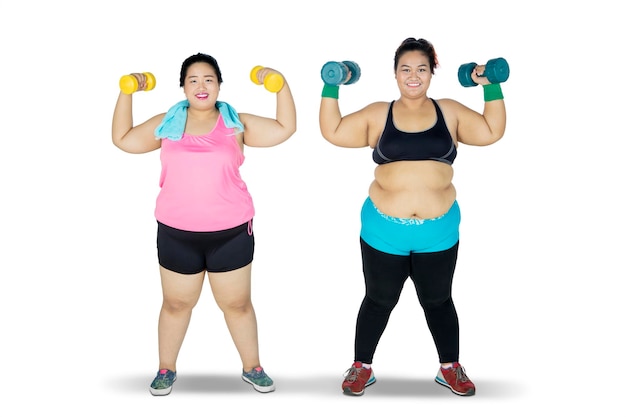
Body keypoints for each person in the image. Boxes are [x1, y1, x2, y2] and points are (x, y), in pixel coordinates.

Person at [318, 38, 506, 396]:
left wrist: (490, 84)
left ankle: (450, 367)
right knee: (378, 300)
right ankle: (362, 367)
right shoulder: (378, 113)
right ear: (395, 73)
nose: (413, 76)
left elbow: (491, 131)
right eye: (406, 69)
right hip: (384, 232)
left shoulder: (449, 111)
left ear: (431, 72)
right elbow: (334, 131)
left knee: (438, 301)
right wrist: (332, 84)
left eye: (421, 68)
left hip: (438, 232)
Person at [112, 53, 296, 396]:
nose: (201, 85)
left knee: (237, 305)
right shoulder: (167, 123)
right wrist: (128, 91)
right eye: (193, 79)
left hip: (230, 231)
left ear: (219, 85)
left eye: (209, 79)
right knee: (176, 305)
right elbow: (123, 139)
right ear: (182, 87)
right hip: (177, 232)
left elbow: (285, 128)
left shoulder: (235, 123)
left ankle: (252, 367)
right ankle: (166, 369)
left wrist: (280, 84)